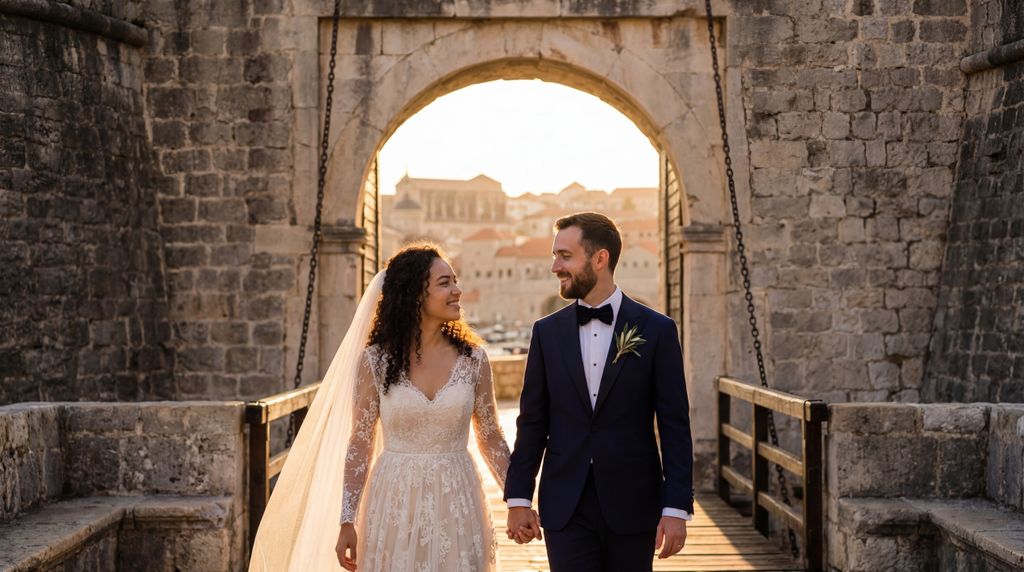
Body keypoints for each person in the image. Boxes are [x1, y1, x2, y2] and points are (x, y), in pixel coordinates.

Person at [249, 243, 525, 571]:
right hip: (394, 502)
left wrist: (517, 500)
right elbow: (360, 443)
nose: (457, 290)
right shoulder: (375, 362)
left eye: (455, 280)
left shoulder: (474, 360)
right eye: (444, 283)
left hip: (457, 499)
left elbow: (491, 437)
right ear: (414, 294)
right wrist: (347, 519)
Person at [503, 212, 694, 572]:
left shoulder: (657, 330)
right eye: (555, 255)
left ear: (600, 258)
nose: (554, 266)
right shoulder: (546, 332)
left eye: (565, 256)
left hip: (634, 504)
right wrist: (518, 497)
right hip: (564, 505)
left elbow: (674, 426)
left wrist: (676, 507)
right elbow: (532, 422)